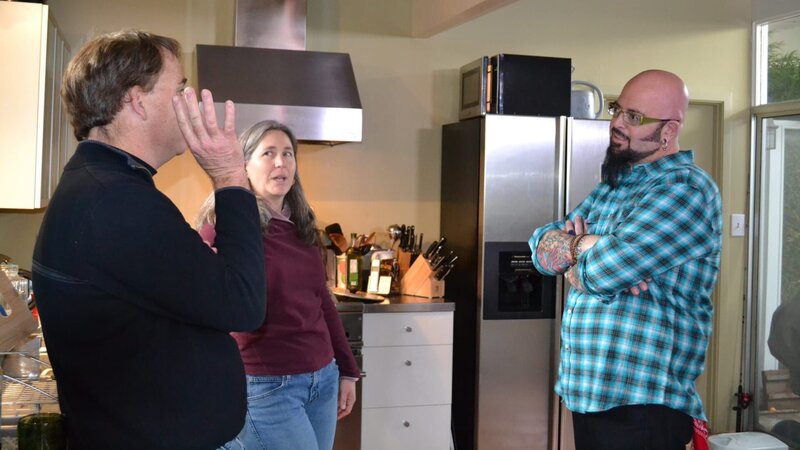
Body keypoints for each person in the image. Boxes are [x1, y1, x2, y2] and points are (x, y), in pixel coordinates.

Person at [32, 30, 267, 449]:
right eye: (179, 89)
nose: (189, 101)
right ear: (137, 100)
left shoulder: (99, 184)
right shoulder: (120, 202)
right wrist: (231, 176)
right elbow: (245, 303)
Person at [529, 70, 722, 450]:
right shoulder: (614, 187)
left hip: (642, 406)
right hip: (592, 395)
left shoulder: (685, 188)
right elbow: (539, 247)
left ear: (669, 130)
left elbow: (604, 272)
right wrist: (590, 247)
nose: (616, 123)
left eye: (634, 117)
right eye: (618, 109)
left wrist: (575, 251)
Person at [196, 120, 360, 450]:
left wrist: (347, 371)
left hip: (322, 379)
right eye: (268, 153)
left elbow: (322, 302)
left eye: (287, 153)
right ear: (243, 165)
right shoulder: (223, 228)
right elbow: (204, 308)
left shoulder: (303, 226)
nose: (281, 163)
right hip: (268, 385)